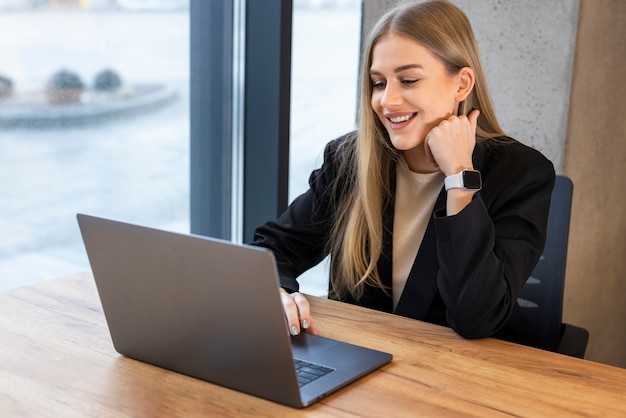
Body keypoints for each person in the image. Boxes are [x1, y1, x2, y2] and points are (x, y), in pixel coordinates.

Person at [252, 0, 555, 349]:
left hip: (473, 377)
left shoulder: (520, 173)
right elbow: (271, 249)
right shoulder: (350, 161)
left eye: (408, 80)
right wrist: (275, 291)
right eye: (379, 83)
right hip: (368, 364)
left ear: (461, 84)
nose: (387, 100)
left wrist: (459, 176)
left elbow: (476, 318)